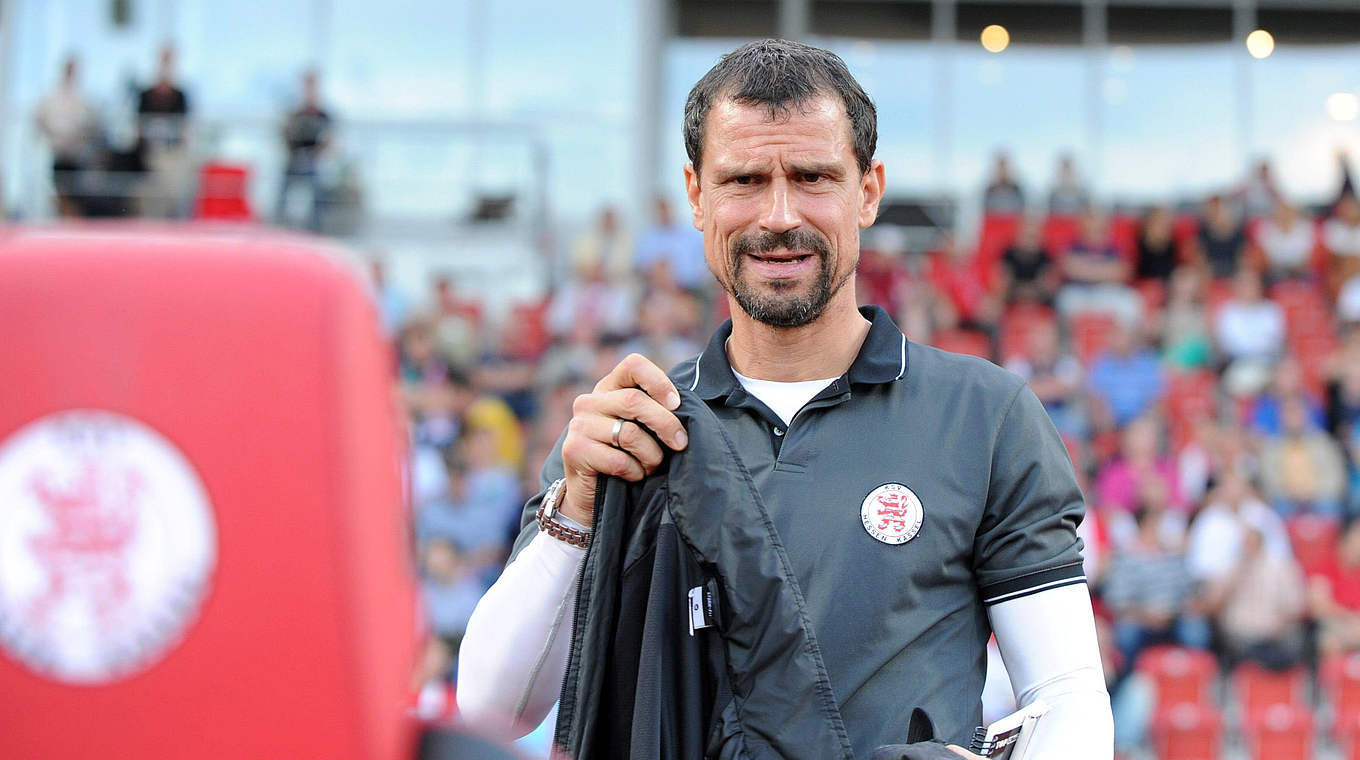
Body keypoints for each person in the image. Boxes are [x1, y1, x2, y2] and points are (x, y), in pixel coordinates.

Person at [458, 39, 1111, 758]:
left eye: (812, 177)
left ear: (868, 192)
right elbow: (493, 708)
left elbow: (1067, 697)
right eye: (743, 180)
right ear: (696, 196)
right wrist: (576, 511)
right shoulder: (631, 426)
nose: (777, 215)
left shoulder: (984, 417)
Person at [34, 56, 100, 218]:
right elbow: (41, 119)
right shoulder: (52, 96)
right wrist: (53, 135)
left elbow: (91, 123)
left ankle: (73, 215)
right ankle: (64, 213)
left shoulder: (83, 97)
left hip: (77, 153)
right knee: (60, 187)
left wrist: (80, 139)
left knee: (75, 190)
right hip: (58, 150)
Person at [276, 68, 332, 232]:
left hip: (313, 161)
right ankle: (280, 225)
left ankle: (316, 227)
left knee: (318, 190)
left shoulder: (322, 114)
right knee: (284, 188)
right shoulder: (295, 112)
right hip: (294, 159)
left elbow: (329, 140)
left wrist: (315, 155)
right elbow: (285, 133)